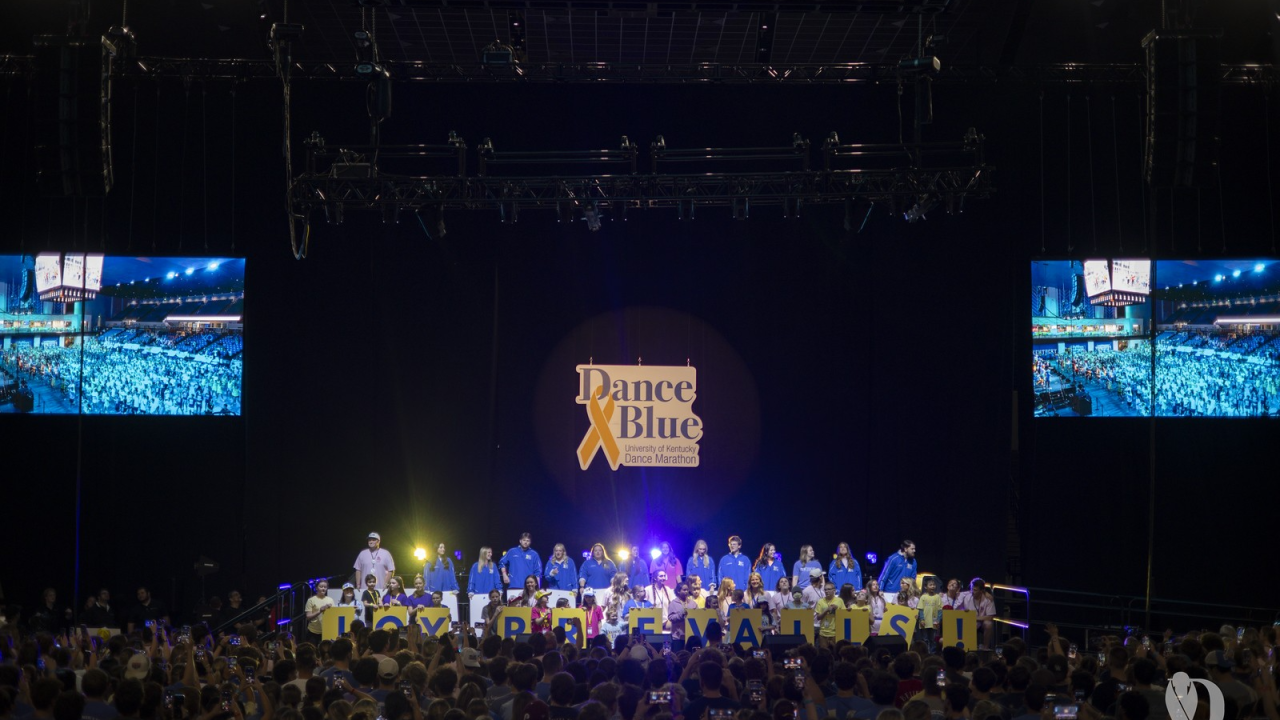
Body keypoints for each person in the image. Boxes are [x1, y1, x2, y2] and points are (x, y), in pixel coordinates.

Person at [304, 580, 334, 644]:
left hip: (326, 631)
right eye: (321, 586)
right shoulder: (311, 600)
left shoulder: (330, 600)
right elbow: (308, 616)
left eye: (325, 587)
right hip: (313, 632)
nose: (323, 588)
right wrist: (320, 611)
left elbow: (333, 616)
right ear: (316, 588)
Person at [815, 582, 844, 647]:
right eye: (825, 590)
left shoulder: (839, 601)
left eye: (828, 589)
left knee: (835, 653)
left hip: (836, 632)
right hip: (823, 633)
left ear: (834, 590)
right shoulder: (820, 601)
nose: (826, 591)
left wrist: (837, 609)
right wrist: (826, 610)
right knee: (824, 653)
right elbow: (818, 617)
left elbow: (844, 615)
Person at [917, 577, 942, 652]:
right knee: (925, 639)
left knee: (933, 639)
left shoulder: (937, 597)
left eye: (934, 585)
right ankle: (925, 653)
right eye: (930, 585)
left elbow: (940, 610)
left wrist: (938, 620)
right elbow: (920, 609)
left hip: (934, 623)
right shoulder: (923, 597)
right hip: (924, 622)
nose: (933, 586)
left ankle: (932, 653)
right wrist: (922, 619)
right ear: (925, 587)